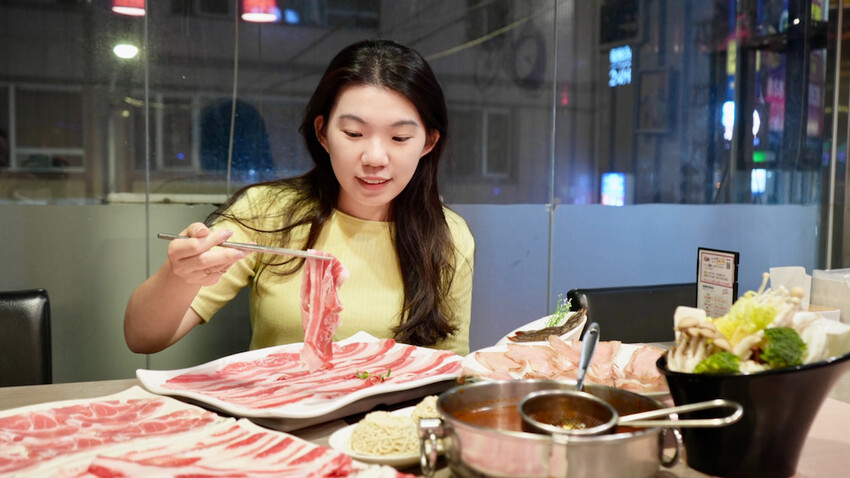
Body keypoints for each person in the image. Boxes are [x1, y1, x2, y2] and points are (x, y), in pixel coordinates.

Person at [124, 39, 475, 356]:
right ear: (322, 133)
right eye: (353, 133)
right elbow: (143, 339)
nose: (375, 158)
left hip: (388, 424)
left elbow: (450, 368)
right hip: (279, 420)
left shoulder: (448, 235)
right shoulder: (268, 211)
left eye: (400, 138)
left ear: (428, 143)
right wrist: (179, 276)